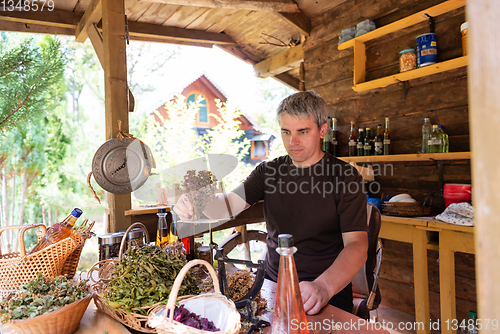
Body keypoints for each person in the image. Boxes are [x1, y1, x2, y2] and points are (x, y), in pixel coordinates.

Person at [174, 91, 368, 315]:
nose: (292, 142)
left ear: (322, 129)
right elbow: (228, 205)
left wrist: (323, 287)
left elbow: (357, 245)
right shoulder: (269, 172)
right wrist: (196, 201)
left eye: (302, 132)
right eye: (286, 132)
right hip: (273, 286)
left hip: (326, 293)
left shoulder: (345, 176)